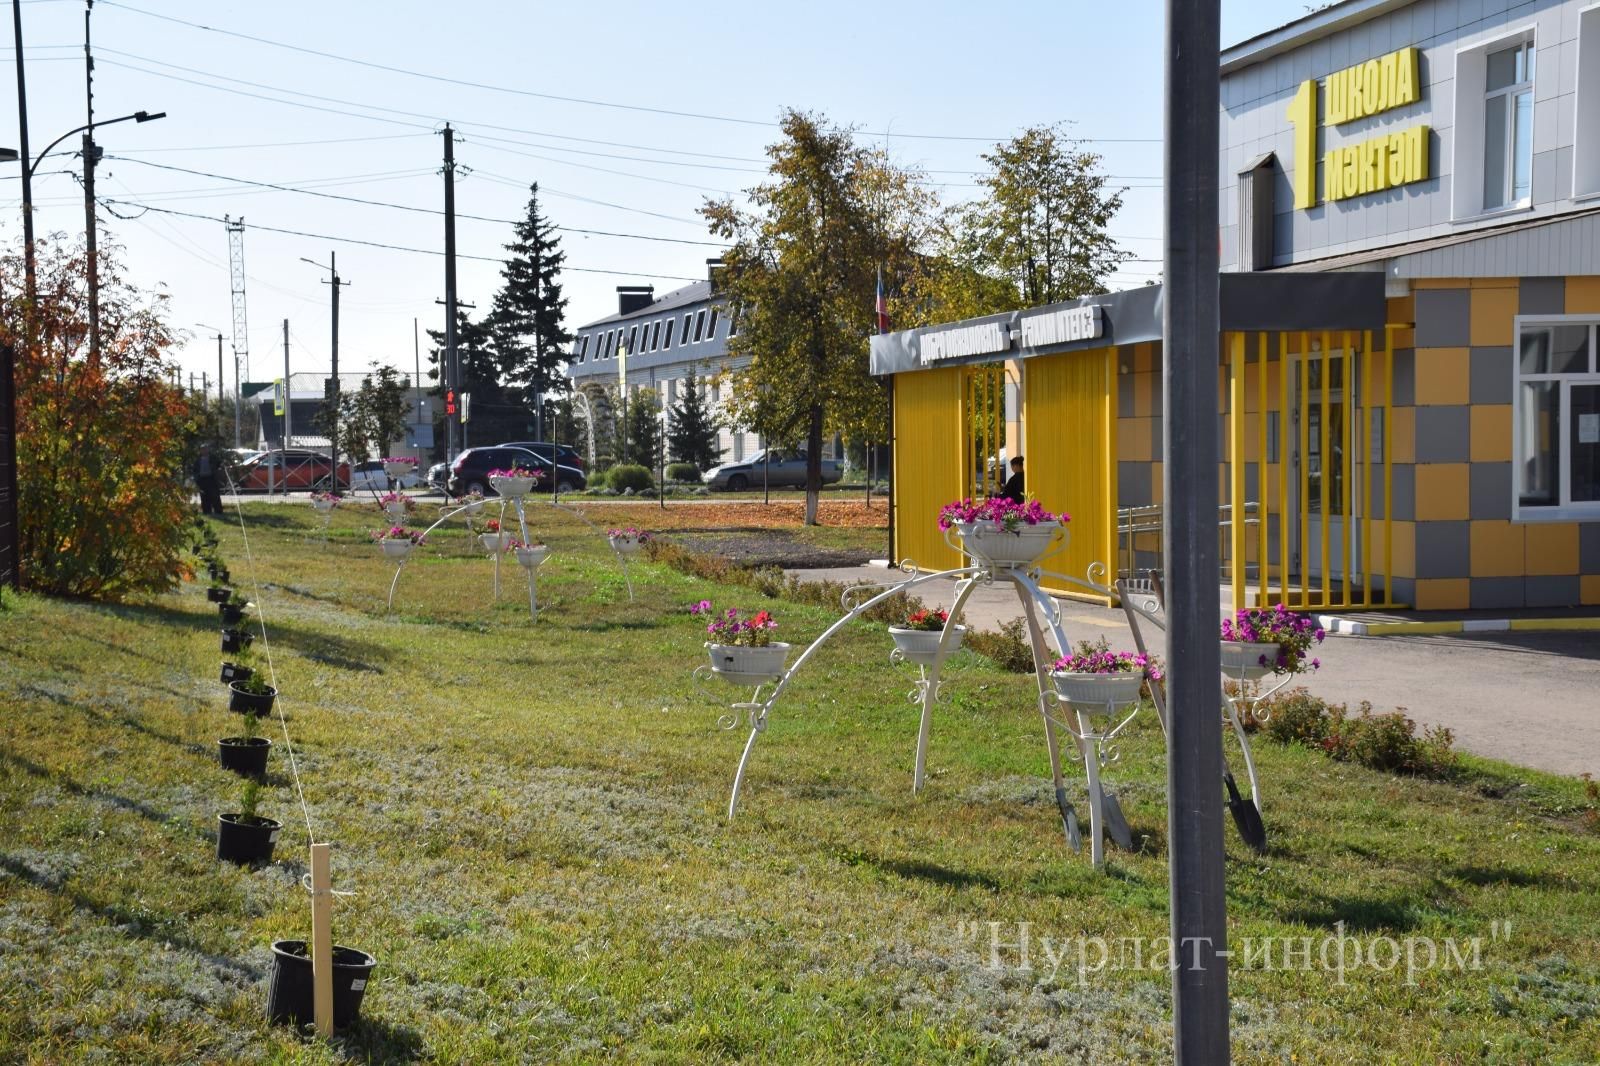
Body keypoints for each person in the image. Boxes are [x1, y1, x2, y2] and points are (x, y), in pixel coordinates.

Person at [193, 443, 223, 515]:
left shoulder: (213, 458)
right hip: (202, 480)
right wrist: (196, 478)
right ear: (200, 451)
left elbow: (220, 464)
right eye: (202, 449)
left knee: (215, 496)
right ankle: (206, 511)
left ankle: (218, 511)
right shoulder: (198, 460)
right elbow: (194, 469)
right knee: (204, 496)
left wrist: (221, 467)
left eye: (205, 449)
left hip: (211, 479)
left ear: (208, 449)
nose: (204, 450)